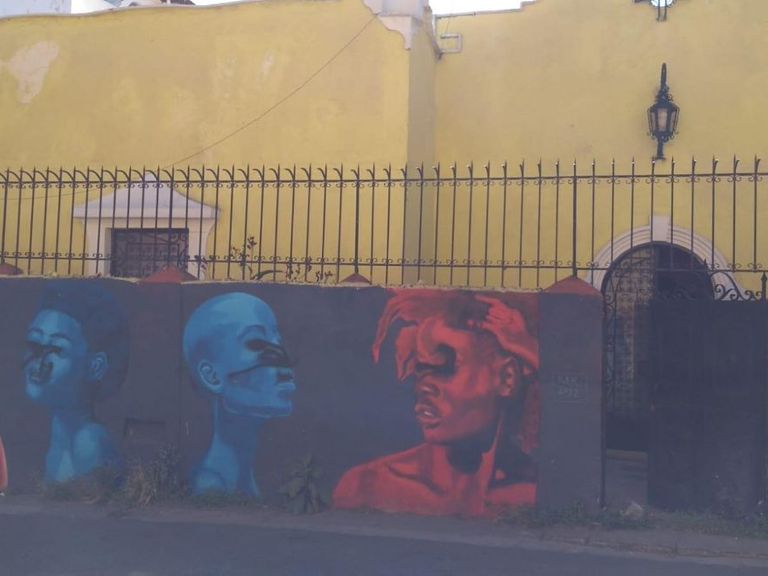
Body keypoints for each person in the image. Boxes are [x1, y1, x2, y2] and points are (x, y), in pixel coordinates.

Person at [333, 289, 540, 517]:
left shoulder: (530, 494)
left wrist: (530, 351)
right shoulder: (367, 485)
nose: (424, 386)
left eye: (443, 368)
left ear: (507, 378)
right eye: (420, 370)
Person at [183, 292, 296, 497]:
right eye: (256, 344)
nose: (284, 362)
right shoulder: (212, 485)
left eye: (278, 341)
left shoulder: (246, 481)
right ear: (212, 376)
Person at [23, 282, 129, 483]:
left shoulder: (88, 442)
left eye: (56, 349)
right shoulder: (60, 439)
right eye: (34, 342)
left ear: (95, 366)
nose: (39, 360)